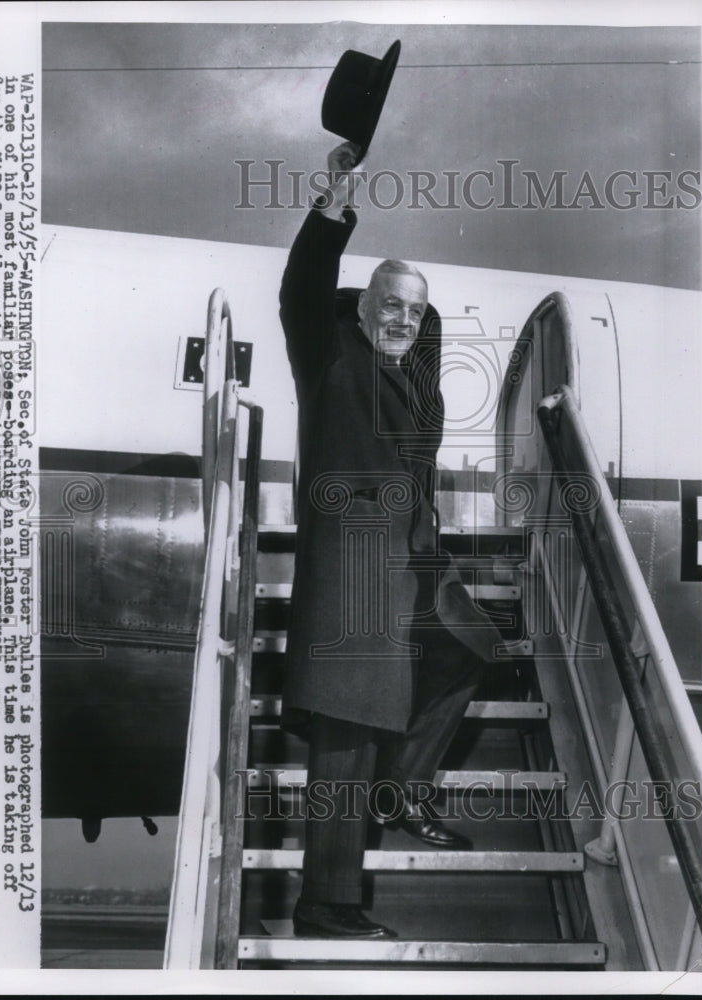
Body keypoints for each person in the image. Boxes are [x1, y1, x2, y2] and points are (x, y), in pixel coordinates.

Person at [279, 141, 497, 940]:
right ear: (362, 307)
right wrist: (337, 189)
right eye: (390, 303)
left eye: (415, 307)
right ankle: (324, 905)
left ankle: (402, 789)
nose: (402, 316)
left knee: (473, 647)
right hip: (353, 575)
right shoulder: (327, 355)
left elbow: (424, 353)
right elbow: (304, 284)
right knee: (347, 732)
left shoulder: (414, 381)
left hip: (416, 566)